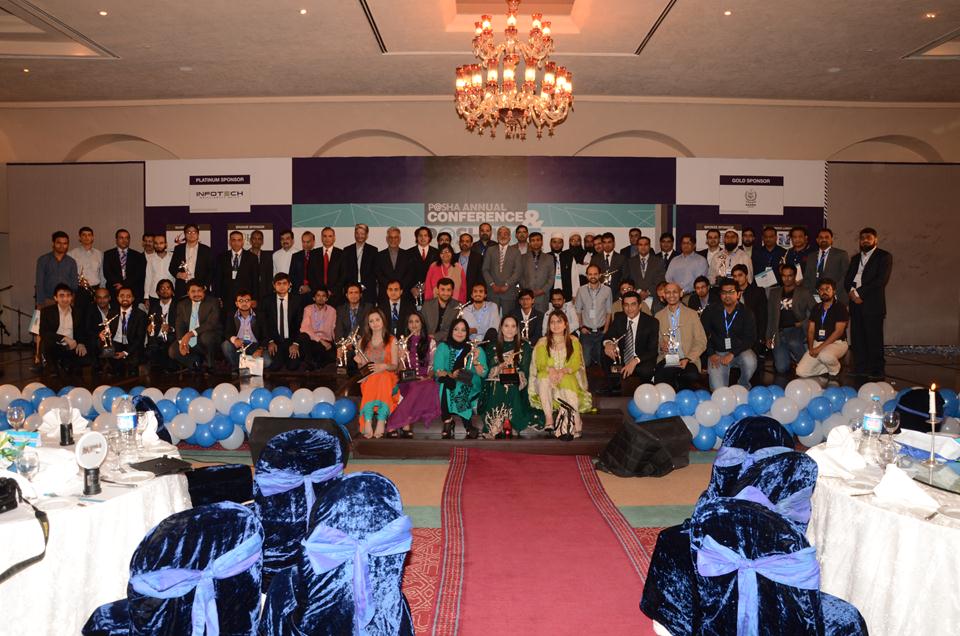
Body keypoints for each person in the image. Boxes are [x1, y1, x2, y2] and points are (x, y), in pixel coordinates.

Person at [530, 310, 592, 440]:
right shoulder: (542, 342)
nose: (555, 325)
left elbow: (576, 362)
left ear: (565, 324)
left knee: (567, 380)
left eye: (559, 321)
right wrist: (551, 369)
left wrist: (563, 371)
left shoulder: (573, 340)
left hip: (568, 374)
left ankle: (576, 420)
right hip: (549, 374)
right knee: (542, 377)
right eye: (552, 322)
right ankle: (549, 419)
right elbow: (540, 362)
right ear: (548, 325)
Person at [479, 316, 543, 438]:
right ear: (501, 328)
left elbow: (525, 372)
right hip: (495, 381)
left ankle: (512, 422)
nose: (509, 329)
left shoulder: (524, 346)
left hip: (518, 382)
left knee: (510, 383)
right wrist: (501, 366)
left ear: (517, 329)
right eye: (506, 326)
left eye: (513, 326)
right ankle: (495, 424)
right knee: (500, 383)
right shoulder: (492, 346)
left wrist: (513, 367)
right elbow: (488, 373)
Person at [843, 227, 893, 379]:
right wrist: (852, 293)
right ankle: (860, 367)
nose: (865, 240)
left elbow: (880, 280)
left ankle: (877, 369)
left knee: (874, 338)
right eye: (862, 238)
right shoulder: (855, 258)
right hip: (855, 303)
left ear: (875, 240)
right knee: (857, 338)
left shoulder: (883, 257)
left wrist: (860, 293)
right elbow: (848, 279)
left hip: (872, 304)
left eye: (868, 237)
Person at [386, 311, 440, 438]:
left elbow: (433, 366)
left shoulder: (431, 342)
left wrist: (427, 377)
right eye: (411, 322)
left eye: (417, 321)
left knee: (429, 386)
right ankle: (405, 424)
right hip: (407, 379)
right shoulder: (402, 342)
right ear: (407, 325)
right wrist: (401, 357)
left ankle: (397, 423)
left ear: (422, 324)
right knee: (414, 386)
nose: (414, 325)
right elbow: (398, 370)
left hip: (426, 379)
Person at [434, 318, 487, 439]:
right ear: (451, 331)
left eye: (463, 330)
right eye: (456, 329)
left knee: (458, 383)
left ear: (467, 332)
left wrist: (476, 361)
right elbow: (438, 370)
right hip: (449, 381)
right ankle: (450, 421)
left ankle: (456, 423)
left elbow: (483, 374)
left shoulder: (475, 349)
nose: (459, 333)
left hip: (471, 382)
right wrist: (452, 375)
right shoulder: (443, 347)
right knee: (446, 382)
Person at [701, 278, 758, 390]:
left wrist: (732, 353)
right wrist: (711, 354)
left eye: (731, 292)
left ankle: (743, 385)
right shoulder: (710, 311)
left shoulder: (746, 312)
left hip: (739, 351)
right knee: (718, 390)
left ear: (738, 294)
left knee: (750, 360)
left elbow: (750, 338)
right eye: (724, 292)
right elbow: (703, 335)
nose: (727, 295)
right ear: (720, 294)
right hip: (718, 353)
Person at [354, 308, 399, 439]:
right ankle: (368, 421)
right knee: (373, 377)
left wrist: (384, 366)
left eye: (377, 320)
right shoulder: (362, 341)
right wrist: (359, 362)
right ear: (368, 324)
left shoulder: (392, 340)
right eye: (371, 321)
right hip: (369, 378)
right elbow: (363, 369)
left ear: (383, 321)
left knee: (383, 376)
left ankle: (381, 420)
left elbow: (395, 366)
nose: (375, 323)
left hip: (388, 376)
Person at [654, 283, 707, 390]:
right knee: (661, 378)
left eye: (675, 292)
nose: (671, 295)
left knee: (690, 376)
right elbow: (656, 341)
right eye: (668, 292)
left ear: (681, 293)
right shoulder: (658, 316)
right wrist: (661, 346)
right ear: (664, 295)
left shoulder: (692, 314)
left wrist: (688, 358)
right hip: (668, 358)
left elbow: (701, 341)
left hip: (688, 358)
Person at [765, 264, 815, 376]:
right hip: (778, 332)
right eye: (784, 276)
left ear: (795, 276)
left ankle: (809, 364)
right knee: (781, 368)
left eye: (790, 276)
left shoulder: (804, 292)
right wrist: (768, 337)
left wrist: (803, 323)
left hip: (796, 329)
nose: (786, 279)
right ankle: (791, 359)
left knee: (793, 342)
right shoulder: (774, 293)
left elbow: (816, 312)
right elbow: (770, 316)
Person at [602, 291, 659, 388]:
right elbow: (608, 335)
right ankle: (614, 386)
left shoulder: (651, 322)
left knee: (646, 370)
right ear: (623, 306)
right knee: (604, 353)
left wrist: (635, 361)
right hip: (622, 357)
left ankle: (643, 387)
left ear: (640, 306)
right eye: (626, 305)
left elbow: (652, 350)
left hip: (641, 359)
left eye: (633, 304)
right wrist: (608, 344)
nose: (629, 309)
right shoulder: (619, 318)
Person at [796, 278, 849, 378]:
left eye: (827, 289)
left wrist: (819, 349)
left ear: (834, 291)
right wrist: (811, 348)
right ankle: (826, 366)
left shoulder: (840, 307)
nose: (824, 292)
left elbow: (838, 331)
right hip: (818, 342)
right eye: (821, 289)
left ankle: (835, 370)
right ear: (818, 292)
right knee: (800, 372)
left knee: (825, 356)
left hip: (837, 343)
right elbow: (811, 330)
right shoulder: (816, 308)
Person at [169, 279, 220, 371]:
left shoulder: (213, 302)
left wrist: (190, 334)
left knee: (206, 337)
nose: (197, 294)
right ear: (188, 293)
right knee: (173, 351)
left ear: (204, 291)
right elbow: (179, 324)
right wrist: (181, 342)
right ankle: (196, 363)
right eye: (193, 291)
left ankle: (210, 364)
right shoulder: (182, 304)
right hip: (188, 338)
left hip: (207, 335)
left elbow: (211, 324)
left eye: (199, 291)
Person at [39, 283, 88, 374]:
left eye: (68, 295)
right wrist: (64, 338)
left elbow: (81, 330)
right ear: (55, 298)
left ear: (72, 297)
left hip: (71, 346)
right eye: (61, 296)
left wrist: (81, 343)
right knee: (47, 343)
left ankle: (65, 363)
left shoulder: (78, 312)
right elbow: (43, 332)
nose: (65, 299)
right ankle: (52, 366)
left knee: (77, 371)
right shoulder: (47, 311)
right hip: (55, 345)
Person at [99, 286, 147, 376]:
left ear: (133, 298)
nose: (125, 298)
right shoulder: (112, 312)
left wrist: (125, 352)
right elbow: (107, 330)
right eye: (122, 296)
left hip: (132, 345)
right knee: (101, 343)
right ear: (118, 298)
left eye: (128, 296)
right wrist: (103, 334)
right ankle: (110, 364)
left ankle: (126, 364)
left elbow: (139, 339)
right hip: (117, 343)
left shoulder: (141, 315)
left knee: (132, 371)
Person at [221, 289, 271, 370]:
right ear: (236, 303)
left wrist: (260, 349)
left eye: (247, 300)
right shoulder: (231, 315)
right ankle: (237, 367)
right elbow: (227, 332)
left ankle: (244, 365)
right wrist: (235, 339)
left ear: (251, 302)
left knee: (267, 362)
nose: (244, 303)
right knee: (225, 345)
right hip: (239, 345)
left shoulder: (260, 315)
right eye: (241, 301)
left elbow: (266, 335)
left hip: (255, 345)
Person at [263, 272, 303, 372]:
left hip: (291, 340)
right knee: (275, 366)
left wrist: (296, 343)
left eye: (284, 283)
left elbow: (300, 324)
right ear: (274, 285)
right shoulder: (267, 301)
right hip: (275, 341)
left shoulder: (297, 300)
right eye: (279, 283)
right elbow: (264, 324)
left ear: (289, 285)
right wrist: (270, 341)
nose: (282, 286)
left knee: (293, 366)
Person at [575, 263, 613, 367]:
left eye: (595, 274)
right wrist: (581, 327)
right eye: (590, 274)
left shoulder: (607, 290)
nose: (593, 276)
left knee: (602, 362)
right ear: (587, 276)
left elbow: (609, 311)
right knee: (585, 362)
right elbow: (578, 310)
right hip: (586, 333)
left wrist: (606, 329)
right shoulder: (581, 290)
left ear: (600, 275)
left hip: (601, 332)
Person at [482, 225, 522, 316]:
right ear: (497, 236)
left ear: (509, 237)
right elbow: (485, 269)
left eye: (505, 234)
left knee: (508, 319)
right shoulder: (490, 250)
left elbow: (518, 271)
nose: (503, 236)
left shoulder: (516, 251)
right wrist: (492, 284)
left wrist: (507, 285)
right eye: (500, 234)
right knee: (492, 318)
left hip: (509, 291)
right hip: (493, 291)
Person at [215, 230, 259, 314]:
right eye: (233, 240)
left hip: (245, 298)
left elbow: (255, 280)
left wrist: (254, 298)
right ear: (229, 242)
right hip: (226, 298)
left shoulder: (252, 258)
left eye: (239, 240)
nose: (236, 243)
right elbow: (218, 278)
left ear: (242, 242)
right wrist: (218, 297)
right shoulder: (221, 257)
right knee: (227, 320)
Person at [804, 227, 850, 304]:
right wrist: (810, 293)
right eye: (821, 237)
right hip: (814, 296)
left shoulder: (841, 254)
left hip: (835, 296)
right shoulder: (811, 256)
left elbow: (845, 275)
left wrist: (832, 291)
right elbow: (807, 277)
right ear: (817, 240)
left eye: (827, 237)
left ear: (831, 239)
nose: (824, 239)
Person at [36, 230, 78, 309]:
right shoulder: (43, 260)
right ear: (53, 243)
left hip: (66, 301)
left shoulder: (71, 262)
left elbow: (74, 284)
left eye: (65, 243)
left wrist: (72, 301)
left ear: (67, 245)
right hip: (48, 300)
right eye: (59, 243)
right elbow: (39, 283)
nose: (62, 246)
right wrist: (40, 303)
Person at [169, 224, 213, 299]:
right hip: (182, 288)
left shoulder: (206, 250)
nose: (191, 234)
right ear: (185, 234)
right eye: (188, 232)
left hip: (200, 288)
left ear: (198, 234)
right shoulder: (178, 249)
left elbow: (211, 270)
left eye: (194, 232)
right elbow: (172, 267)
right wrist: (178, 274)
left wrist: (205, 286)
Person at [297, 286, 336, 370]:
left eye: (323, 296)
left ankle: (313, 364)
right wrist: (320, 340)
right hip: (312, 340)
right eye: (318, 295)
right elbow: (304, 328)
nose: (321, 298)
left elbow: (334, 329)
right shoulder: (308, 309)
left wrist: (337, 344)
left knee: (331, 355)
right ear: (314, 298)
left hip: (326, 341)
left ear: (327, 298)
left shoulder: (332, 311)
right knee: (303, 336)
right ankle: (311, 363)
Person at [731, 263, 767, 354]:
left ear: (746, 275)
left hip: (754, 334)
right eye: (735, 276)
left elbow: (763, 316)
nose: (737, 279)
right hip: (735, 335)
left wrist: (761, 337)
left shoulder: (758, 291)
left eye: (740, 275)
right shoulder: (730, 294)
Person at [103, 228, 147, 302]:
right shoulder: (108, 254)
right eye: (121, 238)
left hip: (132, 291)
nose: (124, 240)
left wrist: (123, 284)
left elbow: (138, 274)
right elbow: (107, 272)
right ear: (116, 240)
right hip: (114, 290)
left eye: (127, 238)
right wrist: (118, 284)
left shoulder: (138, 256)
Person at [626, 236, 666, 311]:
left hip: (654, 299)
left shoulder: (659, 261)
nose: (643, 247)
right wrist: (639, 291)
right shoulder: (630, 262)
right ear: (637, 246)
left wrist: (648, 292)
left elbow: (660, 279)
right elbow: (629, 280)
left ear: (649, 246)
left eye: (646, 244)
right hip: (636, 298)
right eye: (640, 245)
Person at [341, 223, 379, 304]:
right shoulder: (347, 250)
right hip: (351, 290)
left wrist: (363, 286)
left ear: (366, 235)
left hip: (368, 290)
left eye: (362, 233)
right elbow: (345, 271)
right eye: (357, 233)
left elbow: (375, 272)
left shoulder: (373, 250)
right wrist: (354, 286)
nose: (359, 236)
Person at [375, 226, 414, 303]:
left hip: (403, 294)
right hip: (385, 295)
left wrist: (399, 287)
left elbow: (410, 274)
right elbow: (378, 274)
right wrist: (391, 287)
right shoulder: (379, 256)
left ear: (399, 239)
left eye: (396, 237)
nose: (393, 240)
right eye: (390, 237)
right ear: (387, 239)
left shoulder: (408, 255)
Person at [146, 279, 178, 371]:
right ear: (157, 292)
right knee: (151, 350)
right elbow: (149, 322)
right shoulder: (154, 306)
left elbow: (182, 325)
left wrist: (170, 328)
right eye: (162, 288)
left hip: (172, 337)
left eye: (168, 288)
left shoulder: (178, 305)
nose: (165, 290)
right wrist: (149, 327)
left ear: (172, 291)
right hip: (157, 337)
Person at [520, 232, 554, 312]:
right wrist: (527, 291)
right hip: (527, 296)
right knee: (527, 317)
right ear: (529, 242)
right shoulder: (522, 257)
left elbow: (551, 277)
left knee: (541, 318)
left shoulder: (549, 258)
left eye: (538, 240)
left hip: (543, 296)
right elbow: (520, 276)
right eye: (533, 240)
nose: (535, 242)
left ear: (542, 242)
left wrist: (542, 290)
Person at [421, 277, 460, 342]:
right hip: (427, 342)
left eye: (448, 290)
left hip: (448, 342)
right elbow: (421, 325)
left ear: (452, 291)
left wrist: (435, 336)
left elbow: (456, 329)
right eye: (442, 289)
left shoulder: (458, 306)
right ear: (437, 290)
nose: (445, 293)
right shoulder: (427, 305)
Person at [311, 226, 343, 305]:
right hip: (317, 297)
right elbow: (310, 275)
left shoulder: (342, 254)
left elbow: (343, 276)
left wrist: (332, 291)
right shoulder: (314, 253)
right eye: (324, 236)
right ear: (321, 238)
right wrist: (319, 292)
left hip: (335, 296)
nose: (327, 238)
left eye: (330, 236)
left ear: (334, 238)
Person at [68, 226, 103, 297]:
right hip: (79, 289)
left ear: (92, 238)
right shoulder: (71, 254)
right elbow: (69, 274)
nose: (86, 237)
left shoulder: (99, 254)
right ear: (80, 238)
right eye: (84, 235)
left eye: (89, 235)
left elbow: (101, 274)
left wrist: (102, 288)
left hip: (96, 289)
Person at [407, 226, 440, 301]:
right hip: (413, 293)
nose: (423, 238)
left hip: (432, 291)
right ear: (416, 237)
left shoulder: (437, 253)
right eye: (420, 235)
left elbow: (438, 273)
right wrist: (411, 288)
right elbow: (405, 273)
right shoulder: (408, 253)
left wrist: (428, 284)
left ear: (429, 238)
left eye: (425, 235)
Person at [289, 230, 318, 308]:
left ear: (313, 242)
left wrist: (309, 287)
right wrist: (300, 287)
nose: (305, 244)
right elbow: (291, 275)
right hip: (298, 293)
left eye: (308, 242)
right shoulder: (296, 256)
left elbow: (319, 276)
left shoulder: (318, 256)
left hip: (313, 294)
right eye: (303, 242)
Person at [144, 233, 174, 301]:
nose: (158, 245)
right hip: (154, 295)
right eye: (156, 243)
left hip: (170, 294)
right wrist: (146, 297)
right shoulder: (151, 259)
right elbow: (148, 278)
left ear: (166, 244)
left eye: (161, 243)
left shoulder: (173, 257)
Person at [247, 229, 274, 303]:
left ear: (262, 242)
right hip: (248, 293)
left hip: (264, 293)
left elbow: (269, 277)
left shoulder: (268, 257)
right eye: (254, 238)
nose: (257, 241)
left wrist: (269, 294)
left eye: (259, 239)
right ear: (250, 240)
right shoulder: (244, 256)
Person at [557, 233, 583, 300]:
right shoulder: (563, 254)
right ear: (569, 242)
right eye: (573, 240)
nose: (575, 243)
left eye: (578, 240)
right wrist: (580, 266)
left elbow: (584, 272)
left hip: (582, 289)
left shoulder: (586, 254)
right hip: (565, 290)